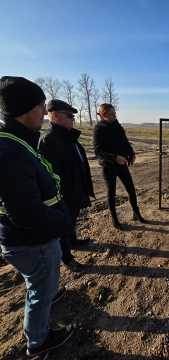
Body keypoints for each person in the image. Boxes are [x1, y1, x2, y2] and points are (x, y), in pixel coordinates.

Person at [0, 76, 73, 357]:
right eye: (41, 106)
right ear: (26, 109)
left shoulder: (16, 143)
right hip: (32, 241)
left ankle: (49, 299)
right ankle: (39, 341)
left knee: (43, 285)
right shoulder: (11, 152)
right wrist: (63, 222)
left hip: (32, 239)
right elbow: (27, 214)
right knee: (39, 291)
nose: (45, 112)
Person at [39, 99, 95, 272]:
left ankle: (73, 240)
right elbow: (49, 175)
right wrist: (60, 197)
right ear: (55, 116)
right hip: (63, 196)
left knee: (71, 221)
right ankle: (67, 257)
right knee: (63, 225)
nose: (73, 119)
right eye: (69, 116)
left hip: (76, 192)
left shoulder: (69, 137)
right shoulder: (49, 141)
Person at [93, 103, 147, 229]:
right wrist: (115, 158)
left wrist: (131, 153)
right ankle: (115, 221)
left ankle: (137, 213)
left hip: (122, 164)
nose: (114, 116)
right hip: (108, 166)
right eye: (111, 114)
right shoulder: (99, 129)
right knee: (111, 193)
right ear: (103, 115)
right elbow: (98, 152)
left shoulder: (117, 126)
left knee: (131, 189)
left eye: (115, 113)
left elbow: (124, 142)